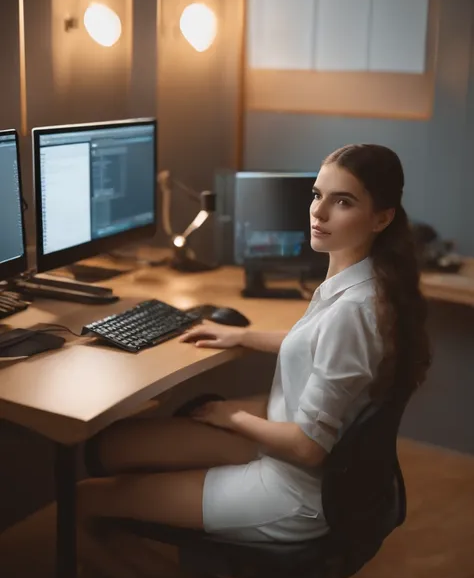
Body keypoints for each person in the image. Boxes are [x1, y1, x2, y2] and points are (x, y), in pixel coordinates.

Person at [77, 144, 430, 547]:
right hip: (287, 447)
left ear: (381, 218)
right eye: (317, 195)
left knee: (86, 496)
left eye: (343, 202)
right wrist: (242, 336)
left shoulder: (353, 311)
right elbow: (319, 345)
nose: (318, 212)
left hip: (292, 488)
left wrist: (232, 418)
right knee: (116, 446)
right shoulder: (365, 282)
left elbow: (307, 449)